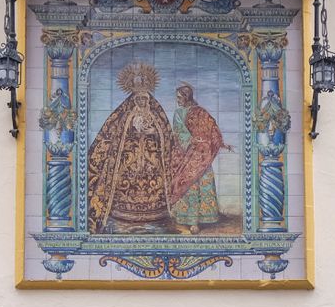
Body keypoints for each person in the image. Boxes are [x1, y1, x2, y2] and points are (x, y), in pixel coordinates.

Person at [86, 61, 177, 233]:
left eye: (144, 98)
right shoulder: (125, 114)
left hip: (151, 157)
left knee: (153, 178)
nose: (142, 101)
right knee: (127, 177)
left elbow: (164, 132)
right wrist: (131, 129)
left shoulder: (156, 113)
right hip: (130, 157)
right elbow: (116, 132)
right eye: (139, 99)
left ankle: (156, 212)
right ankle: (123, 211)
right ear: (134, 99)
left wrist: (153, 130)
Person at [168, 82, 230, 232]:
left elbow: (212, 127)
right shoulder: (179, 113)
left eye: (180, 97)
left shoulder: (200, 112)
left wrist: (219, 142)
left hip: (201, 154)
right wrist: (192, 141)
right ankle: (190, 220)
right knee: (188, 184)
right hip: (188, 154)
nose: (178, 100)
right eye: (176, 97)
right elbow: (178, 132)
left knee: (200, 182)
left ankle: (201, 219)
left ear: (186, 96)